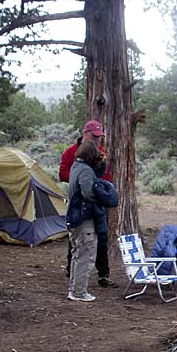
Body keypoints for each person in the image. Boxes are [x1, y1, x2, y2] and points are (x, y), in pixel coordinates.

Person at [59, 120, 117, 288]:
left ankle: (103, 274)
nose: (97, 140)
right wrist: (83, 180)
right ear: (85, 134)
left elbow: (105, 176)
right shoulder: (71, 153)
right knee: (78, 240)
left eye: (99, 137)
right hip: (81, 204)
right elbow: (63, 174)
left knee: (101, 237)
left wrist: (102, 190)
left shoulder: (99, 152)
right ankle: (74, 275)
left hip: (97, 205)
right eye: (94, 136)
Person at [65, 141, 105, 302]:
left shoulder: (75, 166)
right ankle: (79, 292)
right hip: (84, 219)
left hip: (74, 217)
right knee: (85, 254)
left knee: (77, 253)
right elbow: (88, 193)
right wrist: (102, 197)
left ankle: (74, 288)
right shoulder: (86, 171)